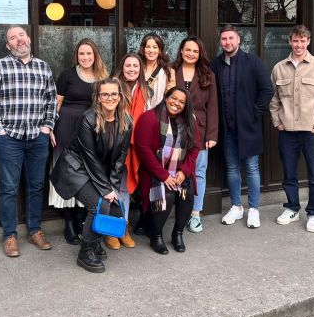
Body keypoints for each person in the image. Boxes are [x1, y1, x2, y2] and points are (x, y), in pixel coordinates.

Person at [0, 26, 58, 258]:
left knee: (36, 186)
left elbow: (51, 101)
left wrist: (47, 127)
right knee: (8, 188)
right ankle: (10, 235)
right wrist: (0, 132)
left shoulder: (43, 67)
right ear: (8, 45)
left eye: (21, 36)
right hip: (10, 140)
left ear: (28, 39)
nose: (18, 40)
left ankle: (35, 230)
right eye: (13, 38)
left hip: (38, 138)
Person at [49, 78, 132, 273]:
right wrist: (106, 190)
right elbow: (90, 158)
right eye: (105, 94)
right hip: (76, 169)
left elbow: (120, 158)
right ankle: (85, 253)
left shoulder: (127, 121)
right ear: (98, 97)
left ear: (120, 97)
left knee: (105, 203)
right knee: (98, 205)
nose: (109, 98)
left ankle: (93, 243)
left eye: (113, 94)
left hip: (96, 172)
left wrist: (113, 187)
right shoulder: (88, 118)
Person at [210, 25, 274, 229]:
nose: (227, 42)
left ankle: (253, 208)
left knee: (252, 168)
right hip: (227, 129)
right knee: (231, 168)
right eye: (224, 39)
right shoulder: (216, 65)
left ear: (239, 40)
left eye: (231, 38)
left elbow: (267, 90)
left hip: (248, 127)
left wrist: (253, 114)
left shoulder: (253, 62)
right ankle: (237, 206)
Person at [269, 25, 314, 233]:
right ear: (290, 41)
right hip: (287, 131)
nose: (299, 45)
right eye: (295, 40)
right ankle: (292, 208)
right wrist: (277, 121)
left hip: (311, 131)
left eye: (303, 41)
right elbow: (274, 99)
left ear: (308, 42)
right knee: (289, 173)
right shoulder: (279, 68)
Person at [50, 39, 108, 245]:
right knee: (68, 172)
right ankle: (69, 223)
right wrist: (50, 127)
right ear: (77, 55)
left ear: (95, 55)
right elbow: (56, 103)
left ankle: (84, 219)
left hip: (90, 129)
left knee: (87, 172)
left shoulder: (102, 76)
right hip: (66, 126)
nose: (85, 57)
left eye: (89, 54)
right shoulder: (67, 74)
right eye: (81, 54)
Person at [134, 87, 200, 255]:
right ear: (166, 98)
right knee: (167, 194)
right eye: (173, 98)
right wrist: (163, 175)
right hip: (154, 172)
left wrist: (184, 171)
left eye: (181, 101)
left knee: (187, 193)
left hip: (179, 170)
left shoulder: (189, 120)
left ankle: (178, 233)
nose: (176, 103)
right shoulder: (148, 118)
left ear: (186, 106)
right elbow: (144, 150)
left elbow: (195, 148)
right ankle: (156, 236)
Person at [171, 36, 218, 233]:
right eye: (187, 50)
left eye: (195, 51)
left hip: (200, 131)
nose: (190, 54)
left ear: (200, 54)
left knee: (198, 172)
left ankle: (195, 214)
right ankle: (172, 211)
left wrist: (212, 135)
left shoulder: (208, 75)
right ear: (181, 51)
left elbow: (213, 106)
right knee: (173, 170)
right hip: (174, 129)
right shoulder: (172, 72)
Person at [110, 52, 151, 249]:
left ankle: (123, 227)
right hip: (113, 143)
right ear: (122, 67)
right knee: (110, 187)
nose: (132, 69)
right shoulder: (112, 86)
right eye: (128, 66)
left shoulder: (146, 90)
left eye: (136, 66)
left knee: (124, 188)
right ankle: (110, 230)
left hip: (134, 146)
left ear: (140, 69)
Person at [138, 34, 176, 109]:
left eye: (155, 47)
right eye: (148, 47)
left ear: (160, 50)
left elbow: (171, 96)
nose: (151, 51)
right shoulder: (136, 68)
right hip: (136, 112)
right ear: (143, 49)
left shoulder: (168, 71)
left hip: (158, 114)